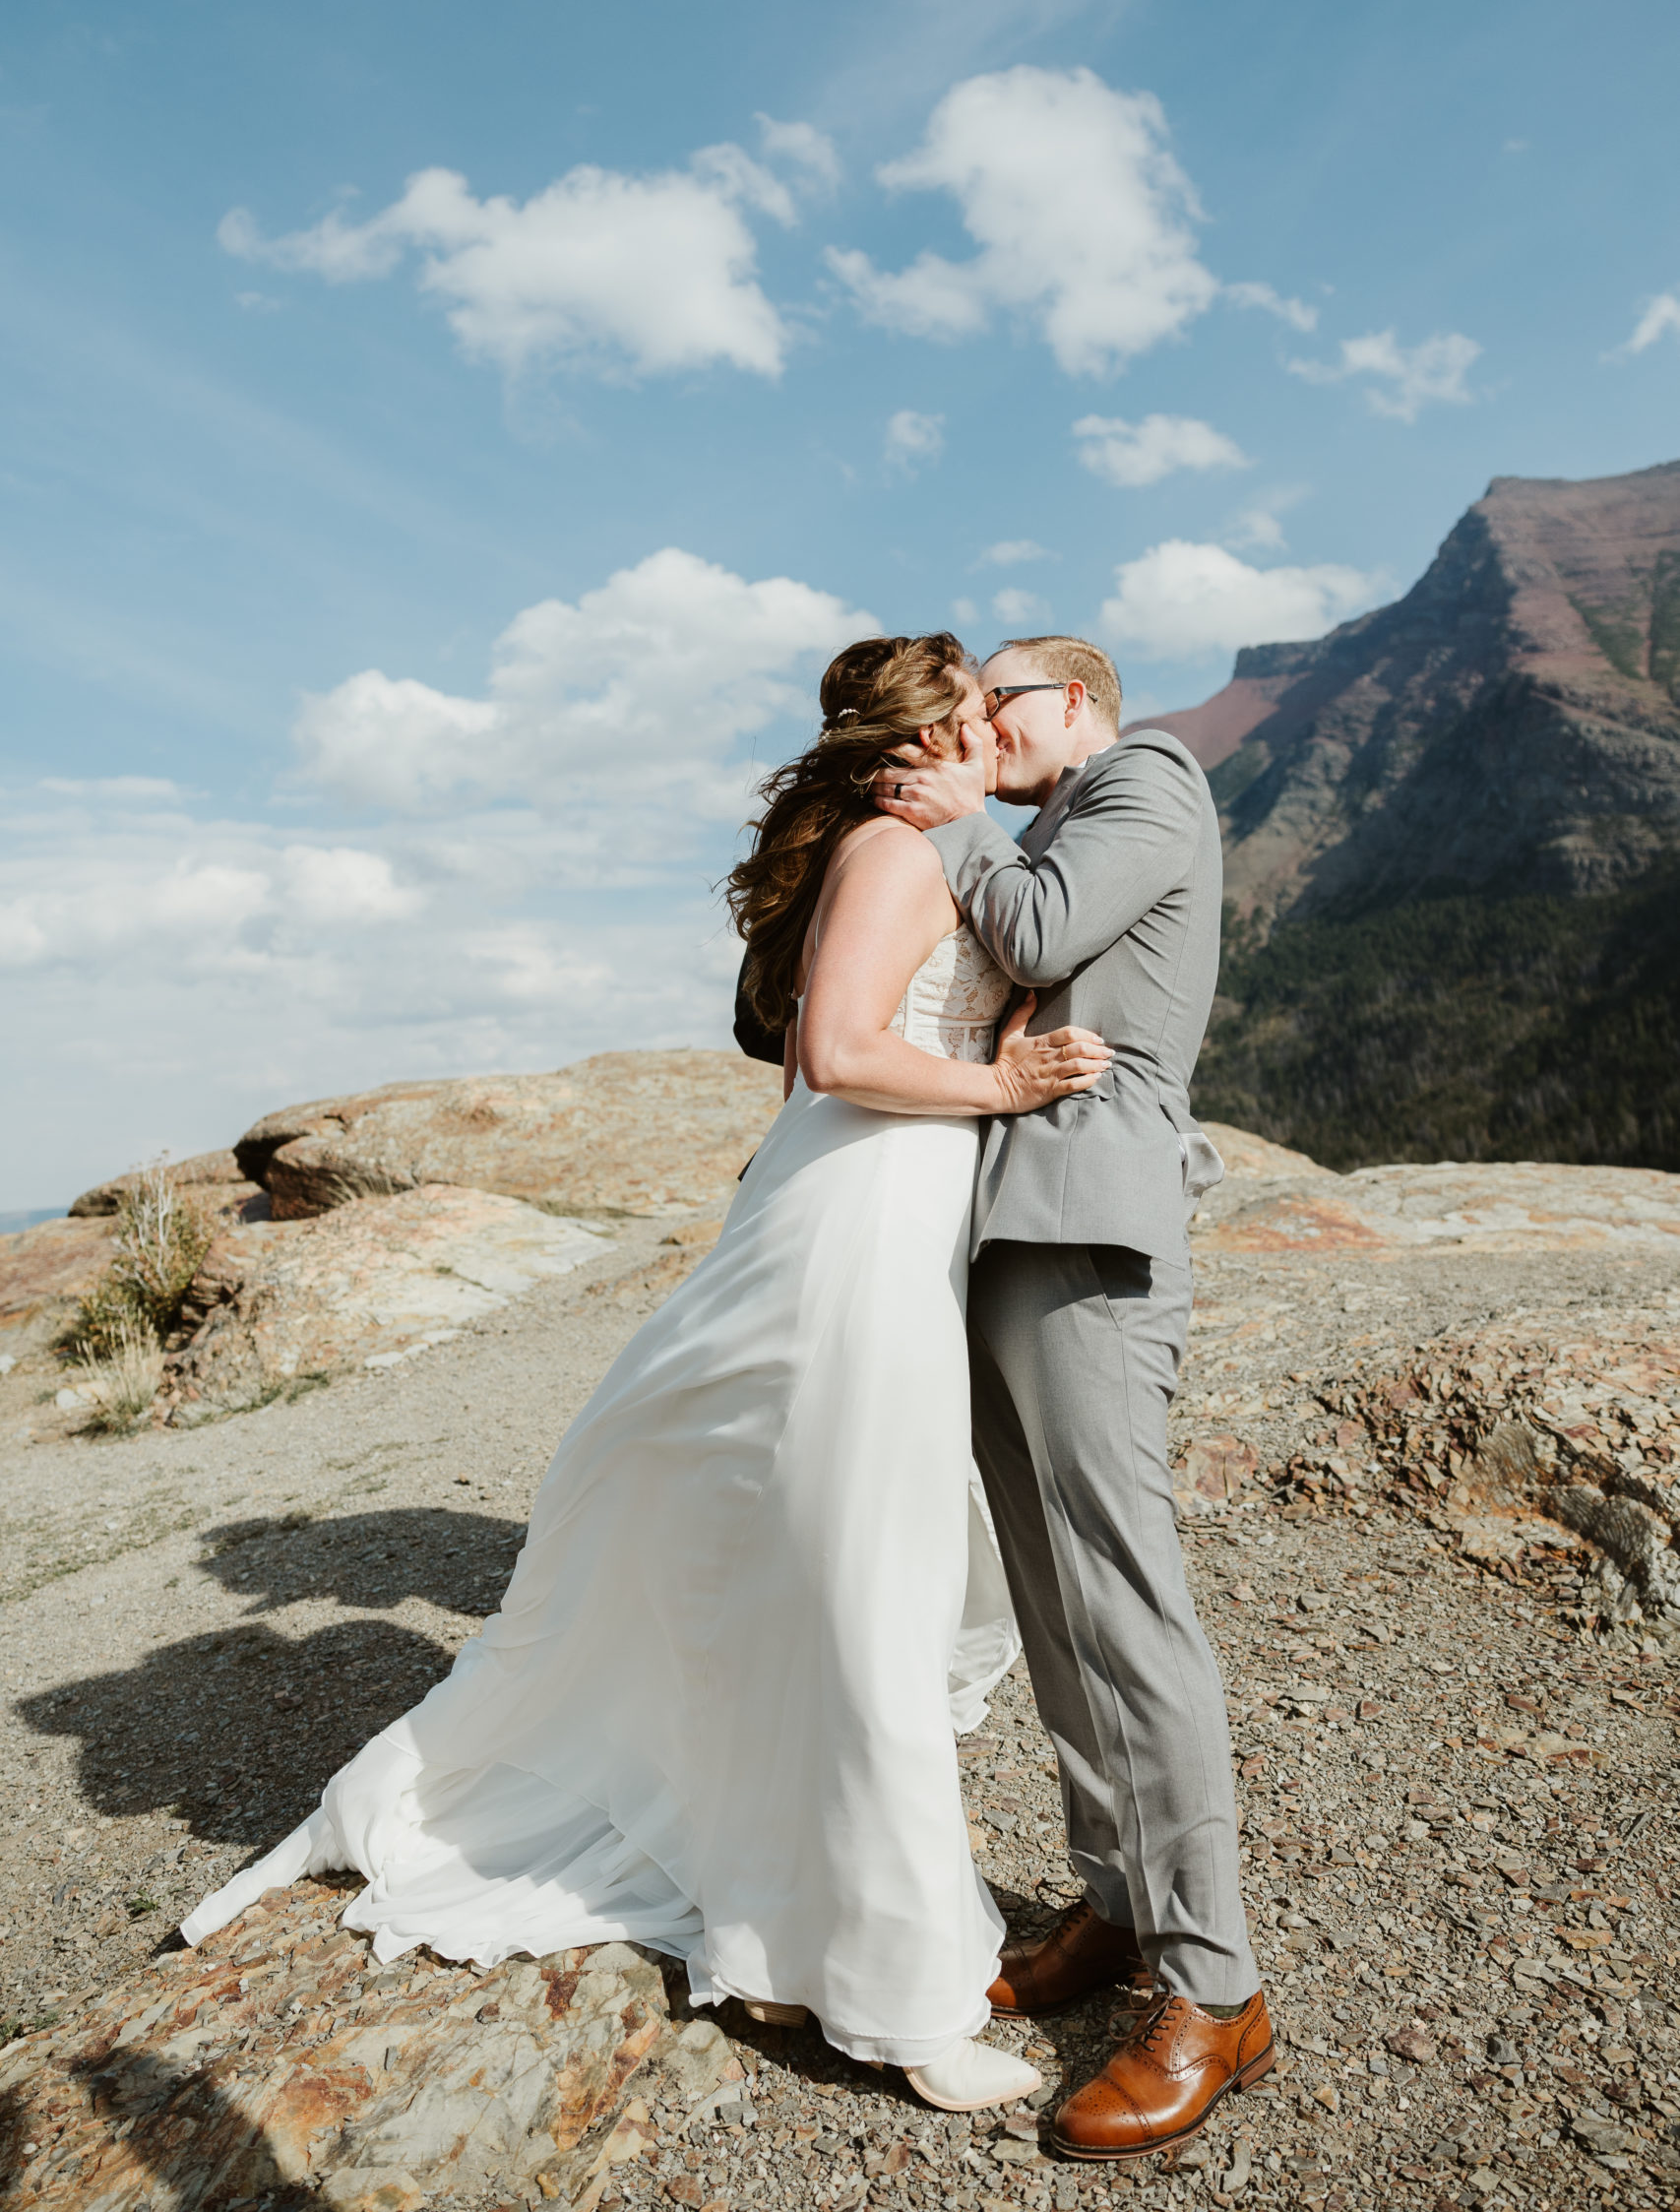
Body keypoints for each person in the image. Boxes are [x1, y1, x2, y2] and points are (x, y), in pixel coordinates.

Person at [180, 632, 1111, 2114]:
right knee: (861, 1574)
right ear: (926, 735)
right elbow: (833, 1048)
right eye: (976, 706)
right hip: (860, 1213)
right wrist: (996, 1083)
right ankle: (892, 1990)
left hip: (899, 1205)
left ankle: (799, 1871)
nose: (998, 724)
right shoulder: (895, 849)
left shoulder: (949, 846)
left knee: (848, 1556)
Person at [877, 634, 1274, 2164]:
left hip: (1094, 1231)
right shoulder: (1040, 821)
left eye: (1002, 706)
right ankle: (1115, 1897)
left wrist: (946, 812)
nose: (979, 727)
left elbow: (1041, 933)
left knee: (1124, 1600)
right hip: (1000, 1234)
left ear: (1082, 707)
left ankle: (1217, 1988)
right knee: (1048, 1597)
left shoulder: (1149, 776)